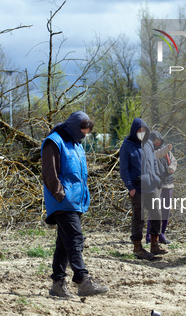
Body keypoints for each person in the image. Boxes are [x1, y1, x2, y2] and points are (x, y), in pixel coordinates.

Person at [41, 111, 109, 298]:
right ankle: (82, 280)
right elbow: (49, 173)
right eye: (83, 132)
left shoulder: (76, 143)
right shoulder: (54, 142)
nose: (84, 136)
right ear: (74, 127)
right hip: (63, 202)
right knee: (75, 238)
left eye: (87, 133)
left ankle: (58, 284)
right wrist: (60, 195)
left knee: (64, 243)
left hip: (75, 201)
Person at [119, 118, 168, 259]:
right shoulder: (126, 146)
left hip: (152, 186)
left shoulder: (148, 144)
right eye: (139, 131)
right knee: (138, 218)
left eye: (144, 130)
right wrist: (130, 187)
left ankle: (154, 244)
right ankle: (137, 248)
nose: (142, 133)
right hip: (137, 188)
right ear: (134, 131)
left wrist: (157, 178)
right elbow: (124, 169)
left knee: (157, 214)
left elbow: (154, 161)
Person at [145, 131, 176, 245]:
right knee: (155, 212)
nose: (156, 142)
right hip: (156, 186)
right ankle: (149, 235)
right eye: (154, 140)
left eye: (158, 139)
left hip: (168, 184)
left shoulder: (168, 152)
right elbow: (157, 154)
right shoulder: (149, 151)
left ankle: (162, 234)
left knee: (165, 212)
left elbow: (174, 161)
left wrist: (171, 168)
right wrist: (165, 150)